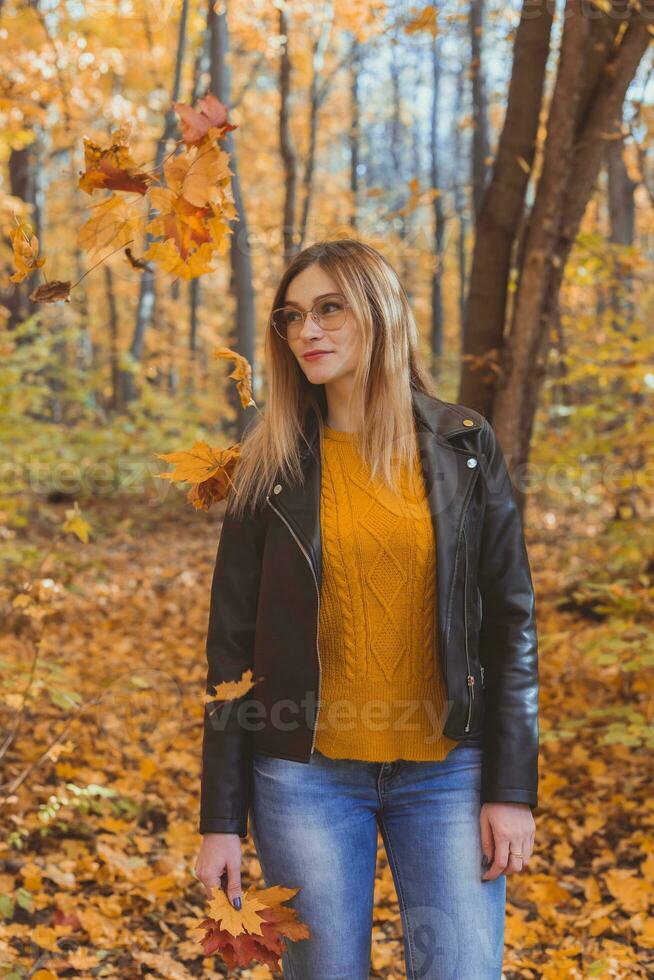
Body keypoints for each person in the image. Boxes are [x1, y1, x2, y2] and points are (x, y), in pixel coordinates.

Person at [194, 238, 539, 979]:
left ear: (378, 314)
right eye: (291, 317)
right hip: (306, 777)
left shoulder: (463, 446)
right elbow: (231, 650)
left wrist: (511, 790)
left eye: (329, 309)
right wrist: (220, 821)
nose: (306, 332)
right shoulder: (269, 468)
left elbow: (512, 622)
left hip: (448, 771)